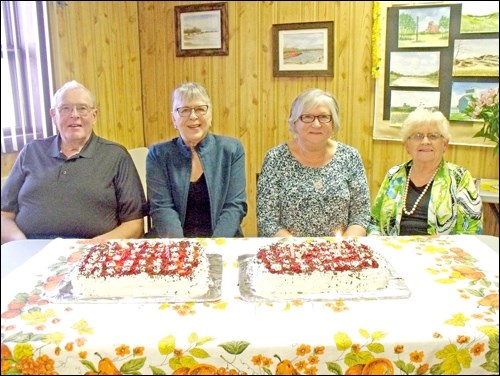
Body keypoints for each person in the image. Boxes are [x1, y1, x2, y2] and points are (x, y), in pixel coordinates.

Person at [1, 80, 148, 243]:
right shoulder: (31, 152)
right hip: (29, 249)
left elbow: (134, 224)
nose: (74, 115)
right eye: (65, 108)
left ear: (94, 115)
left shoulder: (116, 156)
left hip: (93, 250)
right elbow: (4, 215)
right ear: (53, 115)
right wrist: (20, 244)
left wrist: (94, 245)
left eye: (82, 108)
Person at [257, 88, 371, 237]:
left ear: (333, 122)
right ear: (295, 121)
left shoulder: (350, 157)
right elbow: (267, 220)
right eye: (307, 117)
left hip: (339, 253)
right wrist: (298, 251)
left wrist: (343, 248)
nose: (316, 124)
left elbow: (360, 215)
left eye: (324, 117)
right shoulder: (275, 158)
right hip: (289, 253)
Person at [146, 82, 247, 238]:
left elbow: (234, 206)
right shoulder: (158, 154)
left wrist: (215, 247)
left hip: (223, 241)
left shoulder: (232, 149)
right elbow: (162, 207)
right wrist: (182, 250)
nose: (193, 116)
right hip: (173, 243)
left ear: (210, 115)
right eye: (184, 110)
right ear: (173, 118)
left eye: (200, 109)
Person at [368, 108, 483, 236]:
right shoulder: (394, 175)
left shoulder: (460, 178)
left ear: (445, 145)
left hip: (442, 254)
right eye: (418, 136)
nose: (425, 141)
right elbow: (374, 223)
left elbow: (470, 231)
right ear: (407, 145)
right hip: (392, 251)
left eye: (433, 136)